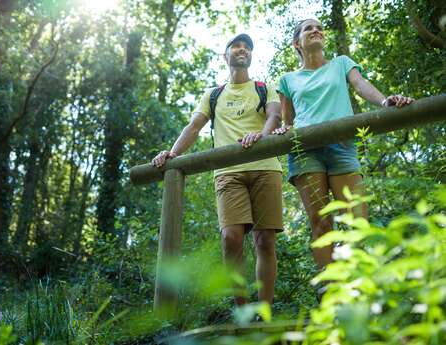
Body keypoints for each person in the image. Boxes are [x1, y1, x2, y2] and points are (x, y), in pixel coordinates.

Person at [152, 34, 283, 306]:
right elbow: (193, 126)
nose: (243, 49)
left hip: (265, 167)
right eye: (237, 46)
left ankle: (264, 312)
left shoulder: (263, 87)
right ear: (226, 56)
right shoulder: (213, 95)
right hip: (228, 173)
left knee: (265, 240)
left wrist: (262, 136)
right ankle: (243, 311)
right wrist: (173, 153)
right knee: (231, 238)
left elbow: (275, 115)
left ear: (251, 56)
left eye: (247, 47)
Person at [275, 19, 414, 270]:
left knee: (355, 220)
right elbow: (288, 121)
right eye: (308, 28)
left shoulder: (341, 63)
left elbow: (360, 85)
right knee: (321, 224)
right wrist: (283, 128)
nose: (316, 30)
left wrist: (385, 101)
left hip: (342, 147)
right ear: (297, 43)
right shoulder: (287, 80)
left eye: (319, 27)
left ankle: (355, 283)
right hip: (306, 151)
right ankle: (328, 290)